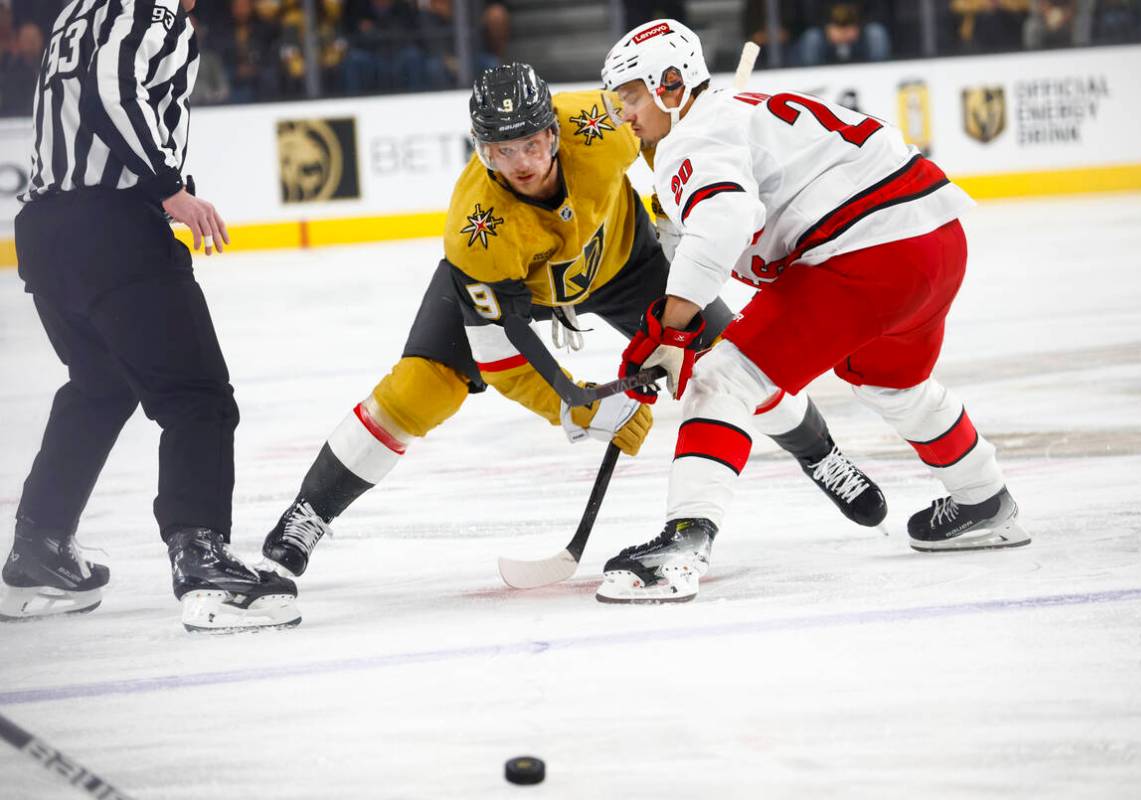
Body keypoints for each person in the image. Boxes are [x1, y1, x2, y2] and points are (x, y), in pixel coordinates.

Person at [260, 63, 886, 582]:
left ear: (555, 132)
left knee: (739, 357)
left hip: (626, 264)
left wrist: (677, 199)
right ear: (481, 150)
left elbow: (666, 136)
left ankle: (822, 456)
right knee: (421, 386)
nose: (522, 161)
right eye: (502, 150)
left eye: (531, 143)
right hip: (519, 295)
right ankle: (308, 514)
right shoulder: (476, 230)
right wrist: (574, 403)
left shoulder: (598, 124)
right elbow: (502, 359)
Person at [597, 19, 1031, 604]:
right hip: (936, 238)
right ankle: (984, 499)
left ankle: (682, 547)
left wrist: (673, 329)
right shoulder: (743, 109)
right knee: (893, 383)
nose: (624, 113)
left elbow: (725, 216)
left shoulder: (690, 138)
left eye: (630, 96)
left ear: (670, 85)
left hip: (867, 254)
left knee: (722, 379)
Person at [0, 0, 299, 632]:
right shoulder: (147, 9)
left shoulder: (77, 11)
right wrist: (168, 187)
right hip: (111, 230)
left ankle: (38, 552)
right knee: (198, 398)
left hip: (48, 232)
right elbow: (110, 88)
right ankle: (203, 562)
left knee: (100, 385)